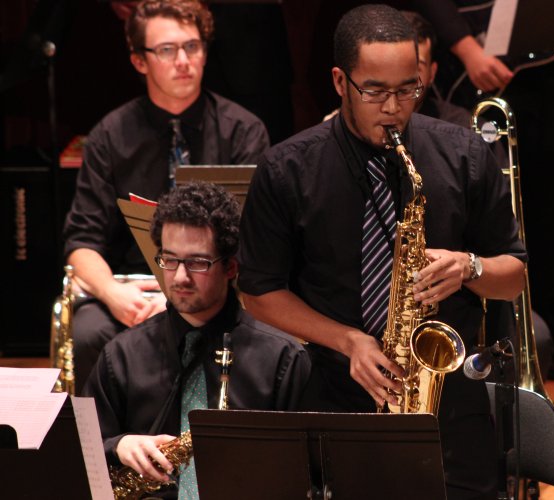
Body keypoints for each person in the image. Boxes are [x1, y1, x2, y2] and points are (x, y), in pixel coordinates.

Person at [237, 5, 526, 499]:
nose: (393, 107)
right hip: (331, 396)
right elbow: (258, 292)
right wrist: (349, 341)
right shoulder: (287, 169)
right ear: (339, 81)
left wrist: (469, 266)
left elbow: (514, 274)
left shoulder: (464, 154)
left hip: (449, 405)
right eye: (374, 90)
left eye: (408, 88)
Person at [62, 0, 270, 392]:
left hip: (218, 290)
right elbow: (81, 241)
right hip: (135, 290)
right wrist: (112, 294)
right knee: (88, 331)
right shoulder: (110, 135)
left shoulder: (243, 131)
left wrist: (188, 295)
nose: (183, 61)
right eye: (167, 50)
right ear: (140, 61)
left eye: (193, 46)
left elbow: (253, 239)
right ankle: (103, 448)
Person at [83, 181, 310, 498]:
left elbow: (307, 476)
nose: (179, 278)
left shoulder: (283, 360)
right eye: (170, 259)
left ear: (231, 266)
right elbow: (79, 456)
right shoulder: (121, 356)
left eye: (197, 262)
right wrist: (117, 445)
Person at [403, 8, 554, 378]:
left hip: (465, 305)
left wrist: (467, 264)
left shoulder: (469, 134)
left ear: (433, 71)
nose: (403, 81)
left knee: (539, 337)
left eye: (416, 66)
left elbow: (505, 249)